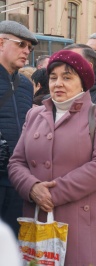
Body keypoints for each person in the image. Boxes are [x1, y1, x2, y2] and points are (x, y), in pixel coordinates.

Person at [7, 50, 96, 264]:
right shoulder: (34, 115)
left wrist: (51, 194)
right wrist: (32, 188)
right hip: (37, 219)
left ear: (83, 82)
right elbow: (17, 162)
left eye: (67, 77)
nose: (58, 83)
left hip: (81, 224)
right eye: (53, 77)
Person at [0, 20, 38, 236]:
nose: (26, 51)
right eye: (21, 44)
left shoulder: (25, 84)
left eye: (29, 48)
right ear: (1, 43)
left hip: (18, 182)